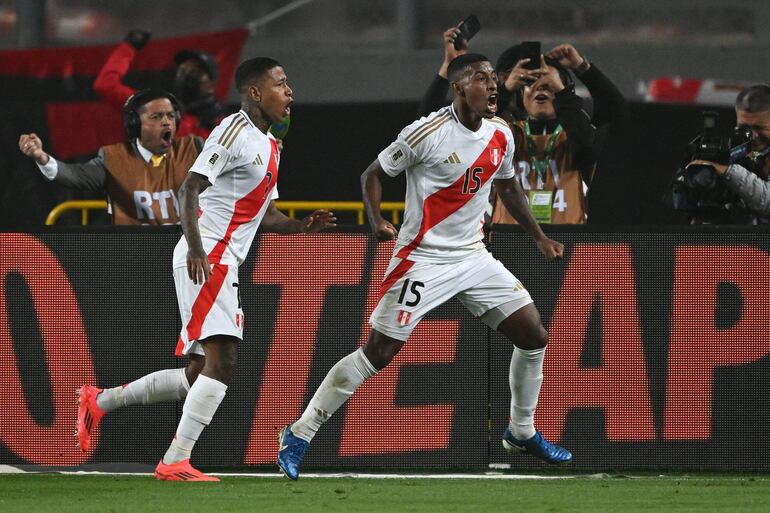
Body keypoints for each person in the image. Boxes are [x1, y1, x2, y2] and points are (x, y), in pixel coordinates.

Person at [277, 54, 572, 481]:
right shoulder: (426, 132)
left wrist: (538, 236)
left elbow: (506, 186)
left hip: (473, 258)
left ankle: (520, 431)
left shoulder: (501, 134)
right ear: (458, 87)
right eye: (481, 79)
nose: (492, 86)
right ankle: (300, 433)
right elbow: (372, 174)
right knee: (377, 353)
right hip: (421, 259)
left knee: (533, 334)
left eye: (494, 79)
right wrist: (377, 219)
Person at [74, 57, 336, 481]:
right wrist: (198, 249)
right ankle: (175, 459)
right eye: (281, 84)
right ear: (254, 92)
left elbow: (263, 214)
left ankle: (99, 402)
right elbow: (189, 188)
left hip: (219, 257)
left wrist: (299, 225)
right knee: (224, 359)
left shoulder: (269, 145)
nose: (290, 92)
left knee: (198, 372)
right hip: (208, 255)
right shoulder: (234, 130)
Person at [420, 27, 626, 224]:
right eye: (531, 80)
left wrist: (581, 68)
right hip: (507, 245)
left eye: (549, 80)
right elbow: (433, 125)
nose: (541, 85)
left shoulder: (578, 136)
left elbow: (617, 112)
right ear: (520, 94)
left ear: (564, 91)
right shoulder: (503, 133)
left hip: (565, 245)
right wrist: (453, 65)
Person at [19, 89, 201, 225]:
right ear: (134, 124)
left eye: (170, 116)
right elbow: (76, 175)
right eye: (156, 116)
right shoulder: (114, 158)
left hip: (191, 256)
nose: (166, 121)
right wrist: (42, 158)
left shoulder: (194, 149)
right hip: (138, 256)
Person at [94, 30, 226, 138]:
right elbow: (106, 85)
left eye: (195, 72)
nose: (186, 76)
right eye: (182, 70)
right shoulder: (156, 107)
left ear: (211, 86)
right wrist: (128, 48)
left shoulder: (225, 126)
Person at [688, 84, 770, 223]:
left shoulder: (729, 166)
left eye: (759, 127)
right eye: (744, 128)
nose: (752, 136)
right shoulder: (735, 154)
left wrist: (727, 171)